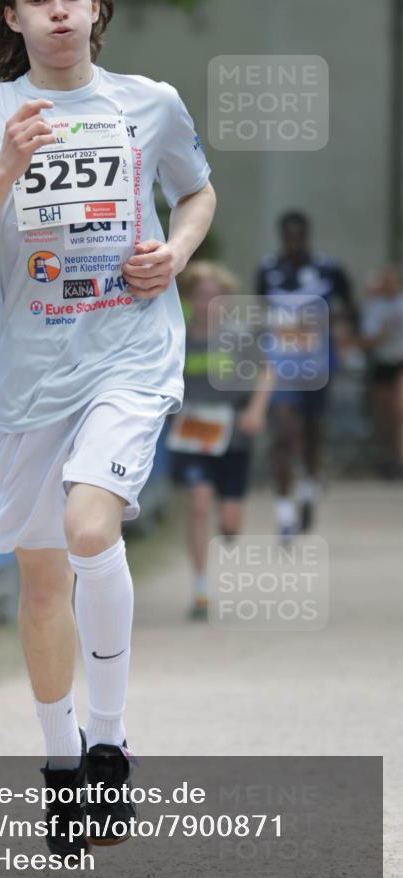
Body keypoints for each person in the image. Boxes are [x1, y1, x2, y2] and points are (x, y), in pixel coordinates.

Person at [0, 0, 215, 861]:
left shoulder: (148, 103)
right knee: (42, 580)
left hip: (128, 352)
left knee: (92, 529)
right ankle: (61, 770)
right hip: (35, 374)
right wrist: (5, 166)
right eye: (38, 0)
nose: (57, 14)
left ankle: (113, 744)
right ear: (13, 14)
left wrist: (178, 249)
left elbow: (197, 192)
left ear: (96, 7)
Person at [166, 261, 273, 620]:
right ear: (190, 297)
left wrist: (256, 410)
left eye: (215, 296)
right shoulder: (174, 333)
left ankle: (229, 525)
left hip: (233, 434)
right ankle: (199, 587)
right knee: (198, 502)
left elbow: (266, 372)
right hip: (191, 432)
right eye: (200, 295)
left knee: (229, 519)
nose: (207, 302)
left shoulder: (239, 335)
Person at [256, 211, 358, 537]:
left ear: (308, 235)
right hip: (282, 363)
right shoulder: (268, 269)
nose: (294, 242)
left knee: (312, 431)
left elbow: (351, 308)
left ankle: (309, 488)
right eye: (289, 236)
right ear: (282, 236)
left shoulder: (329, 269)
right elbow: (258, 311)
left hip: (318, 363)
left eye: (300, 235)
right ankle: (284, 513)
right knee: (284, 431)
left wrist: (336, 326)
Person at [361, 264, 403, 479]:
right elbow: (368, 339)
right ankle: (390, 458)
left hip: (399, 362)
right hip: (382, 363)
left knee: (399, 410)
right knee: (386, 417)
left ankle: (398, 458)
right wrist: (382, 333)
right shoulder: (375, 307)